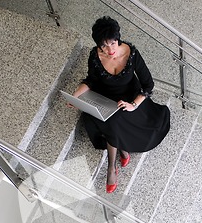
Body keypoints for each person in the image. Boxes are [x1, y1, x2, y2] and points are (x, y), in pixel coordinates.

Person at [70, 16, 170, 193]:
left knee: (114, 121)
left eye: (113, 44)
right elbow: (91, 80)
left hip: (130, 98)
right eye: (104, 46)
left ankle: (111, 167)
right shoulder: (95, 55)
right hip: (106, 96)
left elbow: (148, 85)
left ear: (118, 39)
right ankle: (121, 154)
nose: (110, 50)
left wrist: (133, 104)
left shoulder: (131, 53)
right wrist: (76, 95)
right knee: (108, 119)